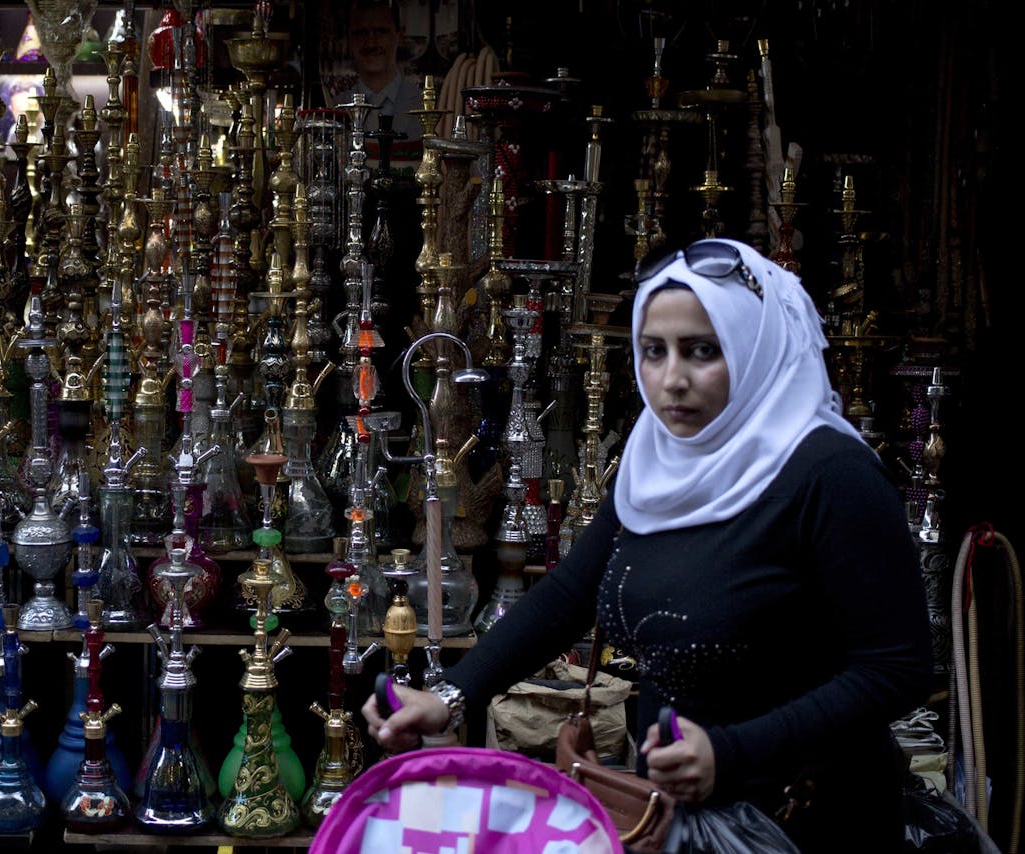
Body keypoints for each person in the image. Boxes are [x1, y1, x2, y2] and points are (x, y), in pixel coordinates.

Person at [363, 238, 933, 850]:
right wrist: (453, 694)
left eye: (703, 352)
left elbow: (895, 670)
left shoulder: (831, 475)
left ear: (758, 349)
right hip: (678, 822)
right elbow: (568, 595)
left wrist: (732, 752)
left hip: (810, 822)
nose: (672, 380)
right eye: (653, 352)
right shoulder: (661, 461)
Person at [345, 1, 422, 142]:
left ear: (400, 36)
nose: (371, 43)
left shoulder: (423, 107)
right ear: (349, 39)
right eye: (361, 33)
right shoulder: (335, 109)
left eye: (381, 32)